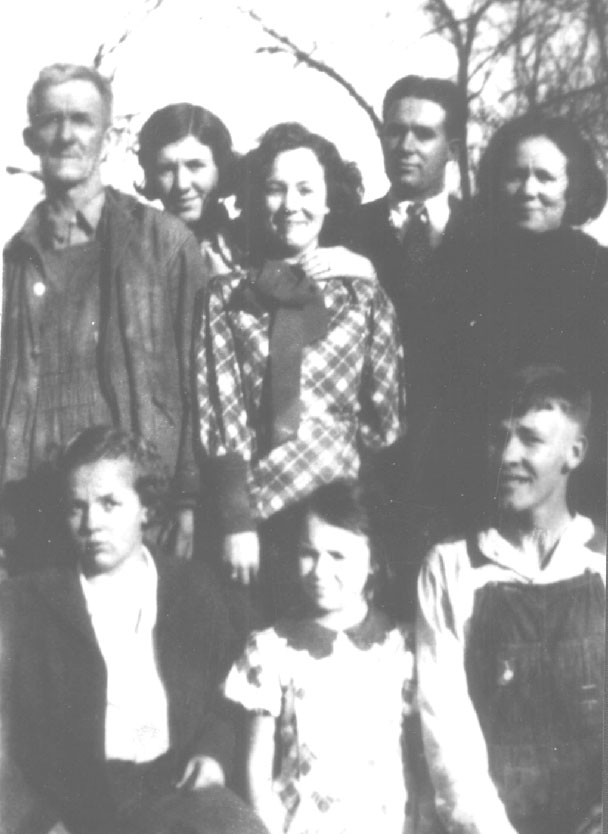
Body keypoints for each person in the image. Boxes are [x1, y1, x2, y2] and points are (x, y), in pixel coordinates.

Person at [0, 426, 273, 834]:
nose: (91, 524)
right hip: (65, 814)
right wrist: (30, 820)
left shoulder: (193, 589)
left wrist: (213, 753)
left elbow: (228, 697)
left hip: (172, 793)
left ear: (146, 507)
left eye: (110, 504)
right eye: (76, 508)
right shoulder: (27, 603)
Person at [1, 65, 207, 570]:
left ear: (109, 138)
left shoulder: (164, 241)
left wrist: (186, 499)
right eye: (51, 121)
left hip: (139, 508)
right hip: (39, 510)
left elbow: (200, 380)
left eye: (82, 120)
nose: (66, 135)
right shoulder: (16, 259)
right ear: (30, 138)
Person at [195, 122, 405, 619]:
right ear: (256, 198)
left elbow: (385, 421)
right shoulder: (226, 299)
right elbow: (221, 412)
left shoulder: (364, 296)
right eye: (276, 189)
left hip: (342, 522)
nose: (291, 204)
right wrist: (236, 521)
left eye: (307, 190)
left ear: (330, 201)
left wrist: (369, 518)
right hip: (259, 523)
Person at [416, 365, 605, 834]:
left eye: (530, 439)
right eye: (498, 437)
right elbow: (445, 726)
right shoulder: (452, 567)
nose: (507, 456)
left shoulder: (601, 563)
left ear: (574, 453)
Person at [223, 479, 416, 834]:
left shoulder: (401, 648)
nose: (319, 570)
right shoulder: (272, 649)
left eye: (338, 556)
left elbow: (420, 766)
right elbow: (257, 771)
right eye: (308, 553)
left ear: (375, 561)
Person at [349, 76, 472, 617]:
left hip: (462, 477)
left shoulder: (489, 234)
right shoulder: (345, 232)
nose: (406, 146)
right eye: (395, 132)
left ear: (454, 147)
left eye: (424, 134)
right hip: (371, 477)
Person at [460, 112, 608, 526]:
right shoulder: (464, 268)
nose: (528, 189)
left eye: (545, 177)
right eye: (515, 175)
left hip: (582, 481)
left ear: (572, 187)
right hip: (482, 476)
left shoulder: (599, 272)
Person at [137, 101, 239, 276]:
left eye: (195, 165)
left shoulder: (246, 250)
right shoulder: (137, 254)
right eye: (166, 169)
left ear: (221, 169)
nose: (181, 185)